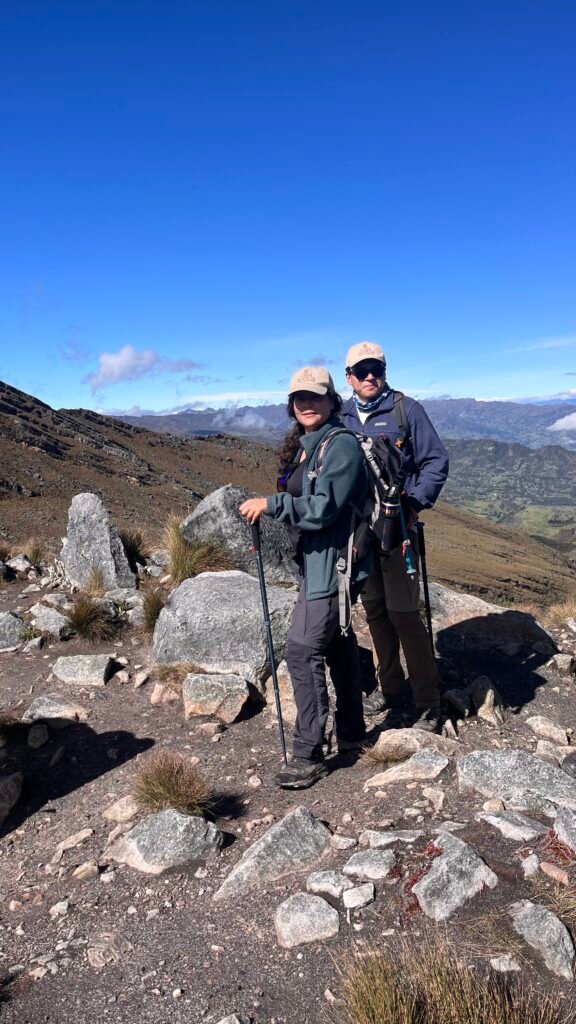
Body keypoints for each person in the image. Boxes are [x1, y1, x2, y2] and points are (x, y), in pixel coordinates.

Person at [239, 366, 370, 789]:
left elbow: (323, 508)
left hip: (332, 567)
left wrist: (274, 504)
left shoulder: (341, 446)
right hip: (316, 563)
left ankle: (308, 752)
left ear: (332, 401)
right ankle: (351, 730)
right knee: (336, 643)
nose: (306, 404)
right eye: (299, 399)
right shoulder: (307, 445)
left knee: (301, 650)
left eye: (315, 397)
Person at [341, 341, 449, 732]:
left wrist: (415, 504)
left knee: (404, 615)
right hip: (360, 533)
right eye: (362, 370)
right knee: (375, 614)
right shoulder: (341, 415)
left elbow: (435, 460)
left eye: (377, 369)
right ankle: (391, 692)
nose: (371, 376)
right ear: (349, 376)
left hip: (399, 529)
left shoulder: (406, 410)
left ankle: (428, 701)